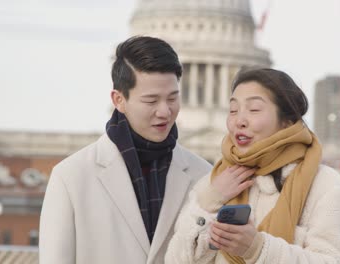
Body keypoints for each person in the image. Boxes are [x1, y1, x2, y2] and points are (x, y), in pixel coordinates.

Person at [39, 36, 212, 264]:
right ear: (118, 100)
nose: (165, 111)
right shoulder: (70, 177)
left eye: (172, 98)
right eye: (151, 101)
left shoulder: (204, 175)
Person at [165, 68, 340, 263]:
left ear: (287, 121)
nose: (239, 121)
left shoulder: (325, 186)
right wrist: (208, 203)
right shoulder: (214, 182)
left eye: (254, 110)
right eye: (233, 110)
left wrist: (258, 249)